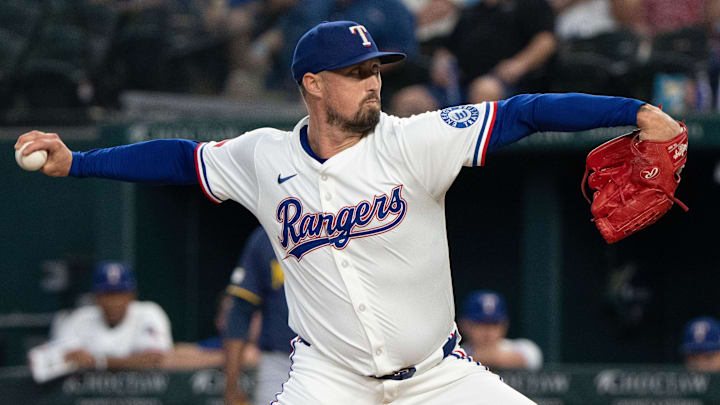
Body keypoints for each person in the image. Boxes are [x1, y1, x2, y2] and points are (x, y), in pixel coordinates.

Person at [16, 19, 685, 404]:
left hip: (437, 378)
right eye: (358, 72)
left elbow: (524, 112)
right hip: (328, 382)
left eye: (377, 70)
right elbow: (177, 159)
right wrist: (79, 161)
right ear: (313, 83)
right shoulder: (261, 156)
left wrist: (629, 113)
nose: (375, 81)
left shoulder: (415, 138)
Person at [32, 261, 172, 378]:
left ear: (132, 295)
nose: (113, 302)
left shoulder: (149, 313)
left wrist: (98, 362)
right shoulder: (78, 319)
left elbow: (155, 360)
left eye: (119, 294)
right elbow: (48, 361)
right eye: (107, 294)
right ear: (95, 297)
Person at [224, 226, 296, 405]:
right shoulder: (267, 235)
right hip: (279, 361)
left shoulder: (349, 224)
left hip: (337, 359)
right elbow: (240, 313)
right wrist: (231, 384)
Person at [459, 290, 542, 370]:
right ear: (464, 325)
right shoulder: (456, 352)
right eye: (480, 324)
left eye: (494, 324)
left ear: (504, 325)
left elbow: (533, 355)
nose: (488, 332)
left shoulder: (521, 348)